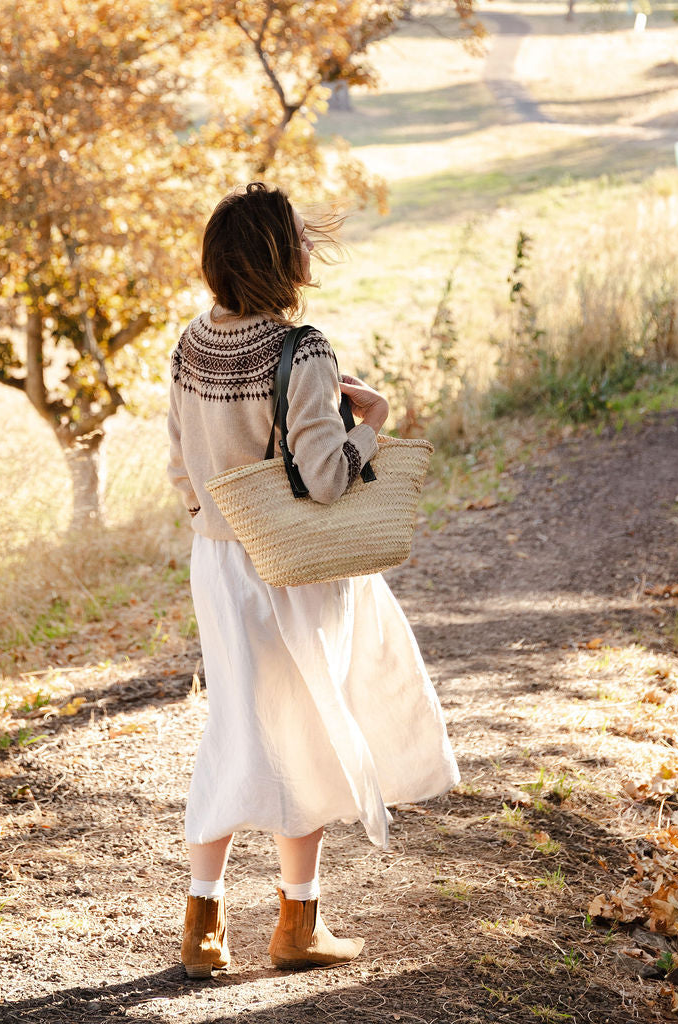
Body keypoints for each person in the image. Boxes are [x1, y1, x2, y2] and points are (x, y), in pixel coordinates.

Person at [166, 181, 459, 978]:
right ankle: (298, 924)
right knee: (308, 727)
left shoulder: (191, 343)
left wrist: (222, 525)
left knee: (235, 721)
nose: (308, 249)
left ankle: (204, 923)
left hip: (220, 563)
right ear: (276, 257)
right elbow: (327, 480)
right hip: (293, 568)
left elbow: (180, 472)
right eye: (298, 238)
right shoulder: (305, 349)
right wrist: (372, 422)